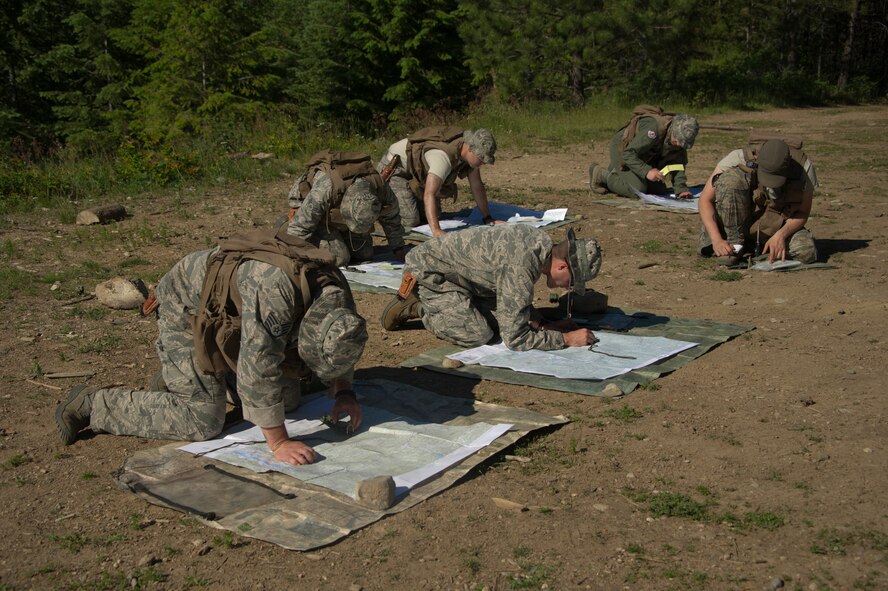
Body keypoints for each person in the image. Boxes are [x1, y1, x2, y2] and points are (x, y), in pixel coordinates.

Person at [54, 226, 368, 467]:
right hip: (186, 308)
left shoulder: (336, 295)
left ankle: (193, 377)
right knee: (203, 419)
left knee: (287, 401)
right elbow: (256, 369)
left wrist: (344, 392)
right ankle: (94, 404)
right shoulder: (275, 297)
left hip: (236, 314)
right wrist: (280, 443)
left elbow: (340, 347)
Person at [380, 224, 602, 351]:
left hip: (466, 280)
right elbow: (516, 339)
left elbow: (512, 299)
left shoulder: (539, 245)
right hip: (429, 273)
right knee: (479, 334)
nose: (569, 288)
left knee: (501, 320)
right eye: (573, 283)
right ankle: (421, 308)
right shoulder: (522, 264)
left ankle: (451, 306)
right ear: (563, 266)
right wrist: (566, 340)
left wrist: (543, 324)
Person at [696, 133, 818, 265]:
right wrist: (716, 240)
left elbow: (803, 212)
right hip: (737, 222)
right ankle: (734, 243)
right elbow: (705, 200)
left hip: (774, 226)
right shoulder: (738, 158)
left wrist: (781, 235)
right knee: (730, 180)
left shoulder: (803, 168)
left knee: (806, 252)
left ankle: (761, 249)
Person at [286, 150, 406, 266]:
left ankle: (340, 237)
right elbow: (299, 227)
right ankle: (282, 228)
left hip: (334, 215)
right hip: (317, 217)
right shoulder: (327, 188)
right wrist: (294, 257)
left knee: (365, 254)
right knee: (339, 258)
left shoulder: (379, 187)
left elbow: (392, 216)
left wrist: (398, 247)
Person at [377, 127, 498, 237]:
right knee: (411, 220)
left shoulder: (469, 155)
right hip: (396, 169)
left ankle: (408, 197)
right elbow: (429, 194)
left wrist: (488, 218)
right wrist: (436, 231)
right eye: (481, 158)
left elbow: (477, 186)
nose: (483, 163)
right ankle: (381, 211)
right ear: (471, 149)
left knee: (431, 216)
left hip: (417, 173)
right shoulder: (442, 158)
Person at [589, 105, 699, 199]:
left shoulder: (678, 141)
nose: (679, 145)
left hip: (641, 156)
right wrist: (647, 171)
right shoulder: (654, 130)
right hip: (622, 150)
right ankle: (601, 174)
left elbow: (677, 164)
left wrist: (681, 189)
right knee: (638, 190)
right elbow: (628, 153)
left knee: (659, 190)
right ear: (673, 131)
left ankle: (619, 171)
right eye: (677, 141)